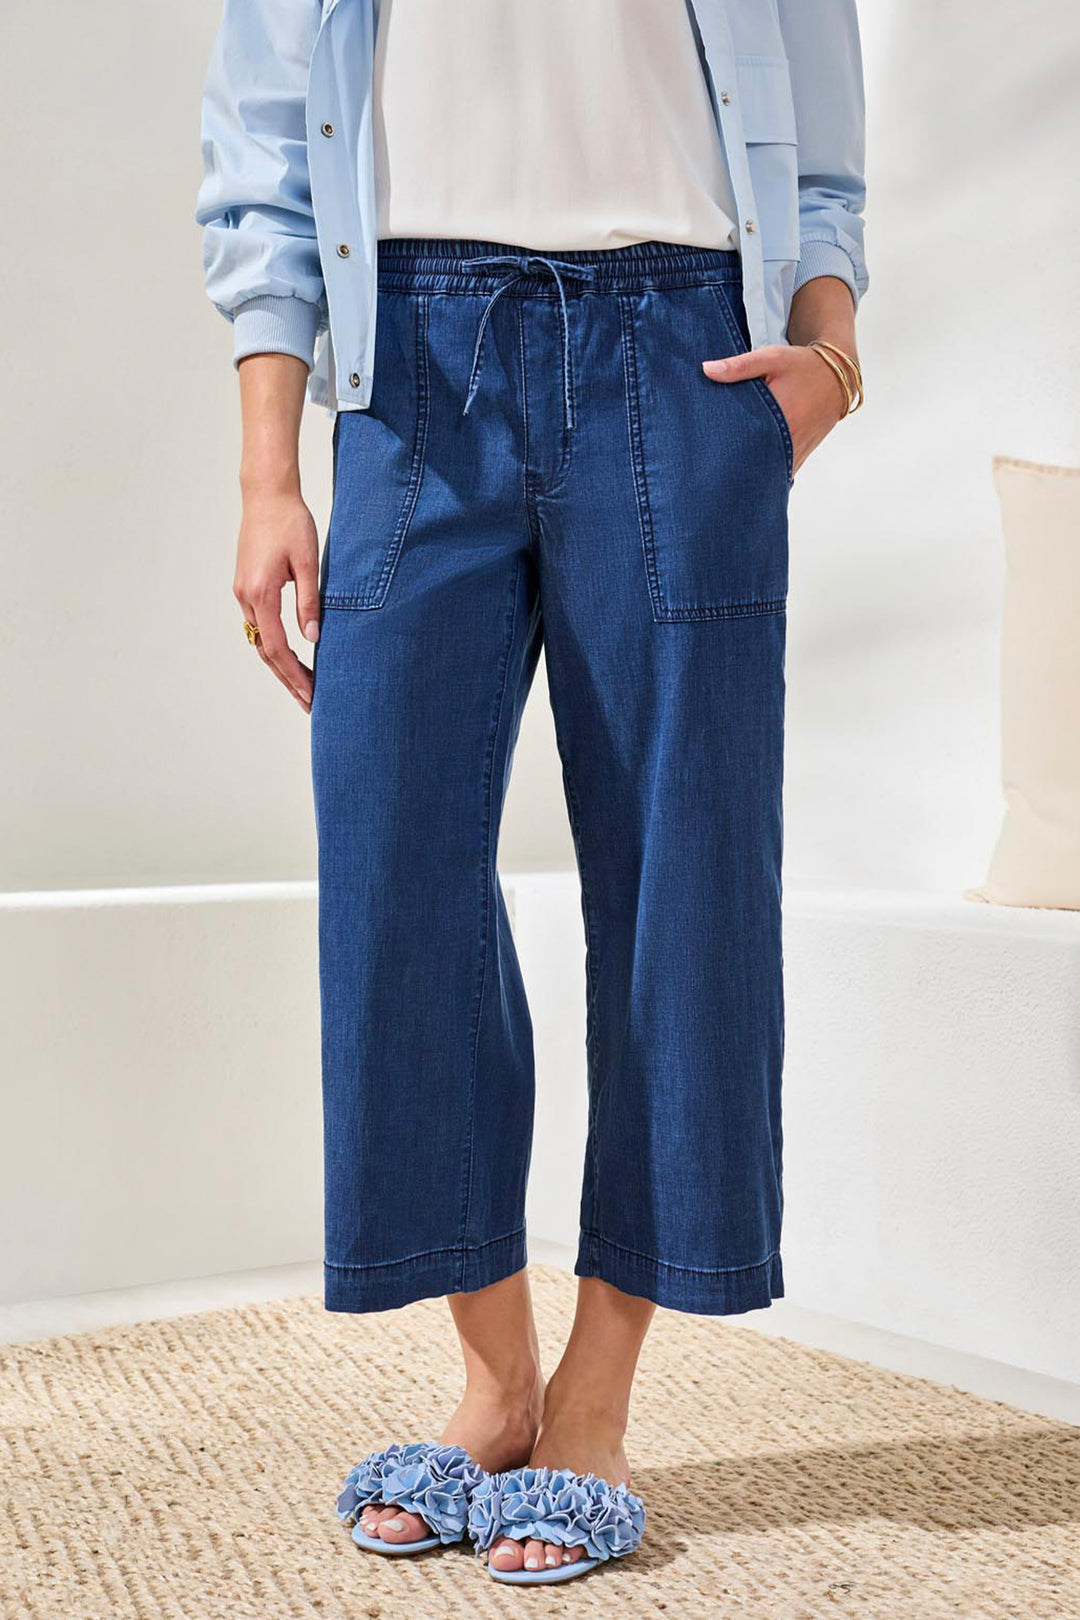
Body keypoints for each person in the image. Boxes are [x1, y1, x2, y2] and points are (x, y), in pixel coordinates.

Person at [197, 0, 867, 1587]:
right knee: (391, 877)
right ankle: (496, 1384)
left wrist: (830, 358)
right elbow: (265, 154)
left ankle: (597, 1403)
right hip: (409, 362)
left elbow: (822, 162)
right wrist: (267, 471)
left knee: (681, 878)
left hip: (683, 345)